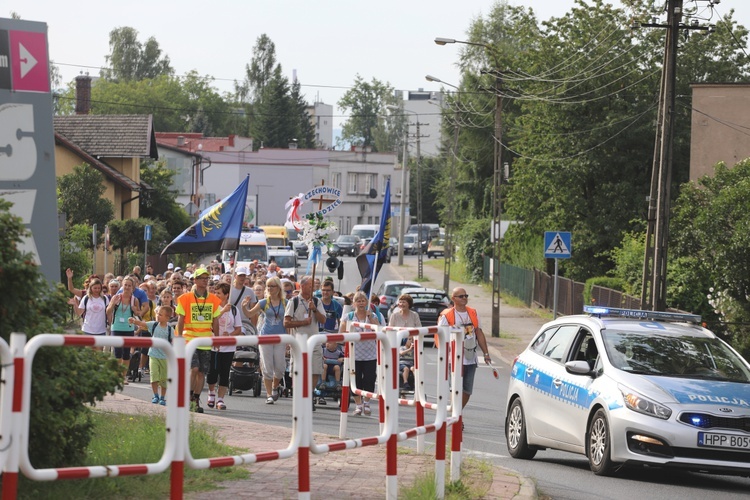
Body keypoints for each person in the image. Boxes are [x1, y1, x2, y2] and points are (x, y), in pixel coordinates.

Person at [176, 267, 221, 413]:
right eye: (202, 278)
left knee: (202, 372)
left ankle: (196, 398)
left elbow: (215, 321)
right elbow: (180, 320)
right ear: (195, 280)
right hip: (189, 339)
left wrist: (217, 339)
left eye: (206, 278)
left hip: (206, 340)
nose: (205, 280)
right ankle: (188, 397)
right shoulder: (185, 298)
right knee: (193, 369)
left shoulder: (214, 299)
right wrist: (179, 337)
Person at [437, 287, 491, 411]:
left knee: (467, 391)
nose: (464, 298)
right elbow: (440, 334)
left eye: (466, 296)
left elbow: (479, 333)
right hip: (453, 358)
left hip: (470, 357)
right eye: (461, 296)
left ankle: (457, 413)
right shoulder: (447, 315)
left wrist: (486, 353)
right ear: (453, 298)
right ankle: (456, 417)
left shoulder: (473, 313)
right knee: (455, 388)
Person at [245, 276, 287, 404]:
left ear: (278, 288)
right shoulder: (264, 302)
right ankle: (269, 394)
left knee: (280, 368)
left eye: (272, 286)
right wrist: (244, 307)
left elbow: (289, 321)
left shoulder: (286, 302)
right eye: (268, 286)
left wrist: (291, 340)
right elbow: (249, 314)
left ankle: (275, 387)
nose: (269, 288)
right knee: (267, 368)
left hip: (281, 337)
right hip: (265, 337)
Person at [284, 275, 326, 400]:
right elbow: (286, 322)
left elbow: (323, 320)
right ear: (302, 286)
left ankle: (310, 395)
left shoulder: (317, 301)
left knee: (316, 369)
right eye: (310, 285)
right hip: (298, 342)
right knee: (298, 371)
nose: (313, 288)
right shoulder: (294, 302)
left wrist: (314, 310)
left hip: (314, 341)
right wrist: (302, 322)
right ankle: (298, 395)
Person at [339, 291, 379, 416]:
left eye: (363, 301)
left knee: (369, 379)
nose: (361, 303)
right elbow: (341, 334)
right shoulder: (348, 316)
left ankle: (366, 403)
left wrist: (371, 318)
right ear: (354, 303)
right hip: (354, 353)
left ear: (367, 303)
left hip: (370, 353)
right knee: (355, 380)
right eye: (358, 301)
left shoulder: (372, 316)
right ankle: (358, 405)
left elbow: (379, 331)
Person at [206, 282, 243, 411]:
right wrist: (222, 311)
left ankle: (221, 398)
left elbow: (239, 328)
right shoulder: (211, 307)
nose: (216, 295)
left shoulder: (234, 309)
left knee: (224, 372)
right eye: (215, 292)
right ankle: (211, 393)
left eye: (219, 293)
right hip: (213, 345)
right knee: (212, 372)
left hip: (228, 347)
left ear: (226, 295)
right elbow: (209, 322)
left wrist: (230, 334)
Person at [129, 305, 173, 405]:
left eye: (160, 315)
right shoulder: (153, 325)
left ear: (167, 318)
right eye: (157, 314)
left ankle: (162, 397)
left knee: (163, 379)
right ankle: (155, 395)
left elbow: (174, 342)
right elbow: (142, 323)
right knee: (154, 376)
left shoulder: (170, 330)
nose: (157, 316)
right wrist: (134, 321)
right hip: (153, 355)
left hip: (165, 357)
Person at [106, 276, 141, 385]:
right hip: (116, 327)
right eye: (125, 285)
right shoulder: (116, 297)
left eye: (129, 285)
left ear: (132, 287)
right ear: (122, 285)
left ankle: (123, 376)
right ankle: (117, 375)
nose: (126, 287)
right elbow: (108, 311)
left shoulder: (134, 300)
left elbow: (138, 314)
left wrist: (135, 311)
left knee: (126, 353)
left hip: (128, 328)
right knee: (117, 353)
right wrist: (112, 304)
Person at [75, 278, 109, 350]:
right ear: (91, 288)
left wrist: (110, 324)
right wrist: (74, 304)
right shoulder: (86, 298)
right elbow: (79, 312)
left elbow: (108, 313)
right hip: (88, 329)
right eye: (95, 288)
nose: (97, 290)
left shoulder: (105, 298)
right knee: (89, 353)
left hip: (101, 330)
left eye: (99, 288)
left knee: (99, 354)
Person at [229, 266, 258, 333]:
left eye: (244, 275)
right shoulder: (229, 290)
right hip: (231, 324)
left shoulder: (250, 291)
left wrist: (253, 329)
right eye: (240, 275)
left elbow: (253, 312)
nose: (242, 278)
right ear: (235, 276)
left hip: (245, 323)